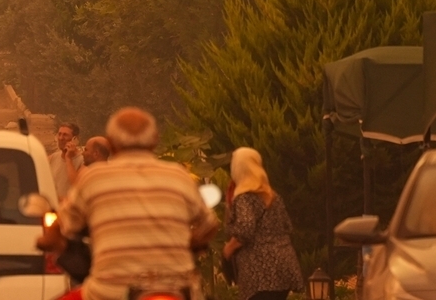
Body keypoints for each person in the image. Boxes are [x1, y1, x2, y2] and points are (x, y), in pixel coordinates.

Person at [38, 107, 220, 300]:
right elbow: (210, 224)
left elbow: (63, 225)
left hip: (109, 292)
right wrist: (190, 244)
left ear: (113, 144)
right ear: (154, 140)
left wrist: (49, 240)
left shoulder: (94, 178)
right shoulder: (178, 176)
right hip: (179, 291)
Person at [222, 148, 304, 300]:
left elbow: (245, 228)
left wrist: (229, 247)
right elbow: (287, 226)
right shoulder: (273, 196)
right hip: (284, 267)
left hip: (259, 273)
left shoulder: (244, 198)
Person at [50, 122, 84, 200]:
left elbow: (77, 186)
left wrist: (68, 159)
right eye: (59, 134)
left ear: (75, 139)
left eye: (65, 135)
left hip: (70, 209)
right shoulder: (53, 157)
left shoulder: (83, 160)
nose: (61, 138)